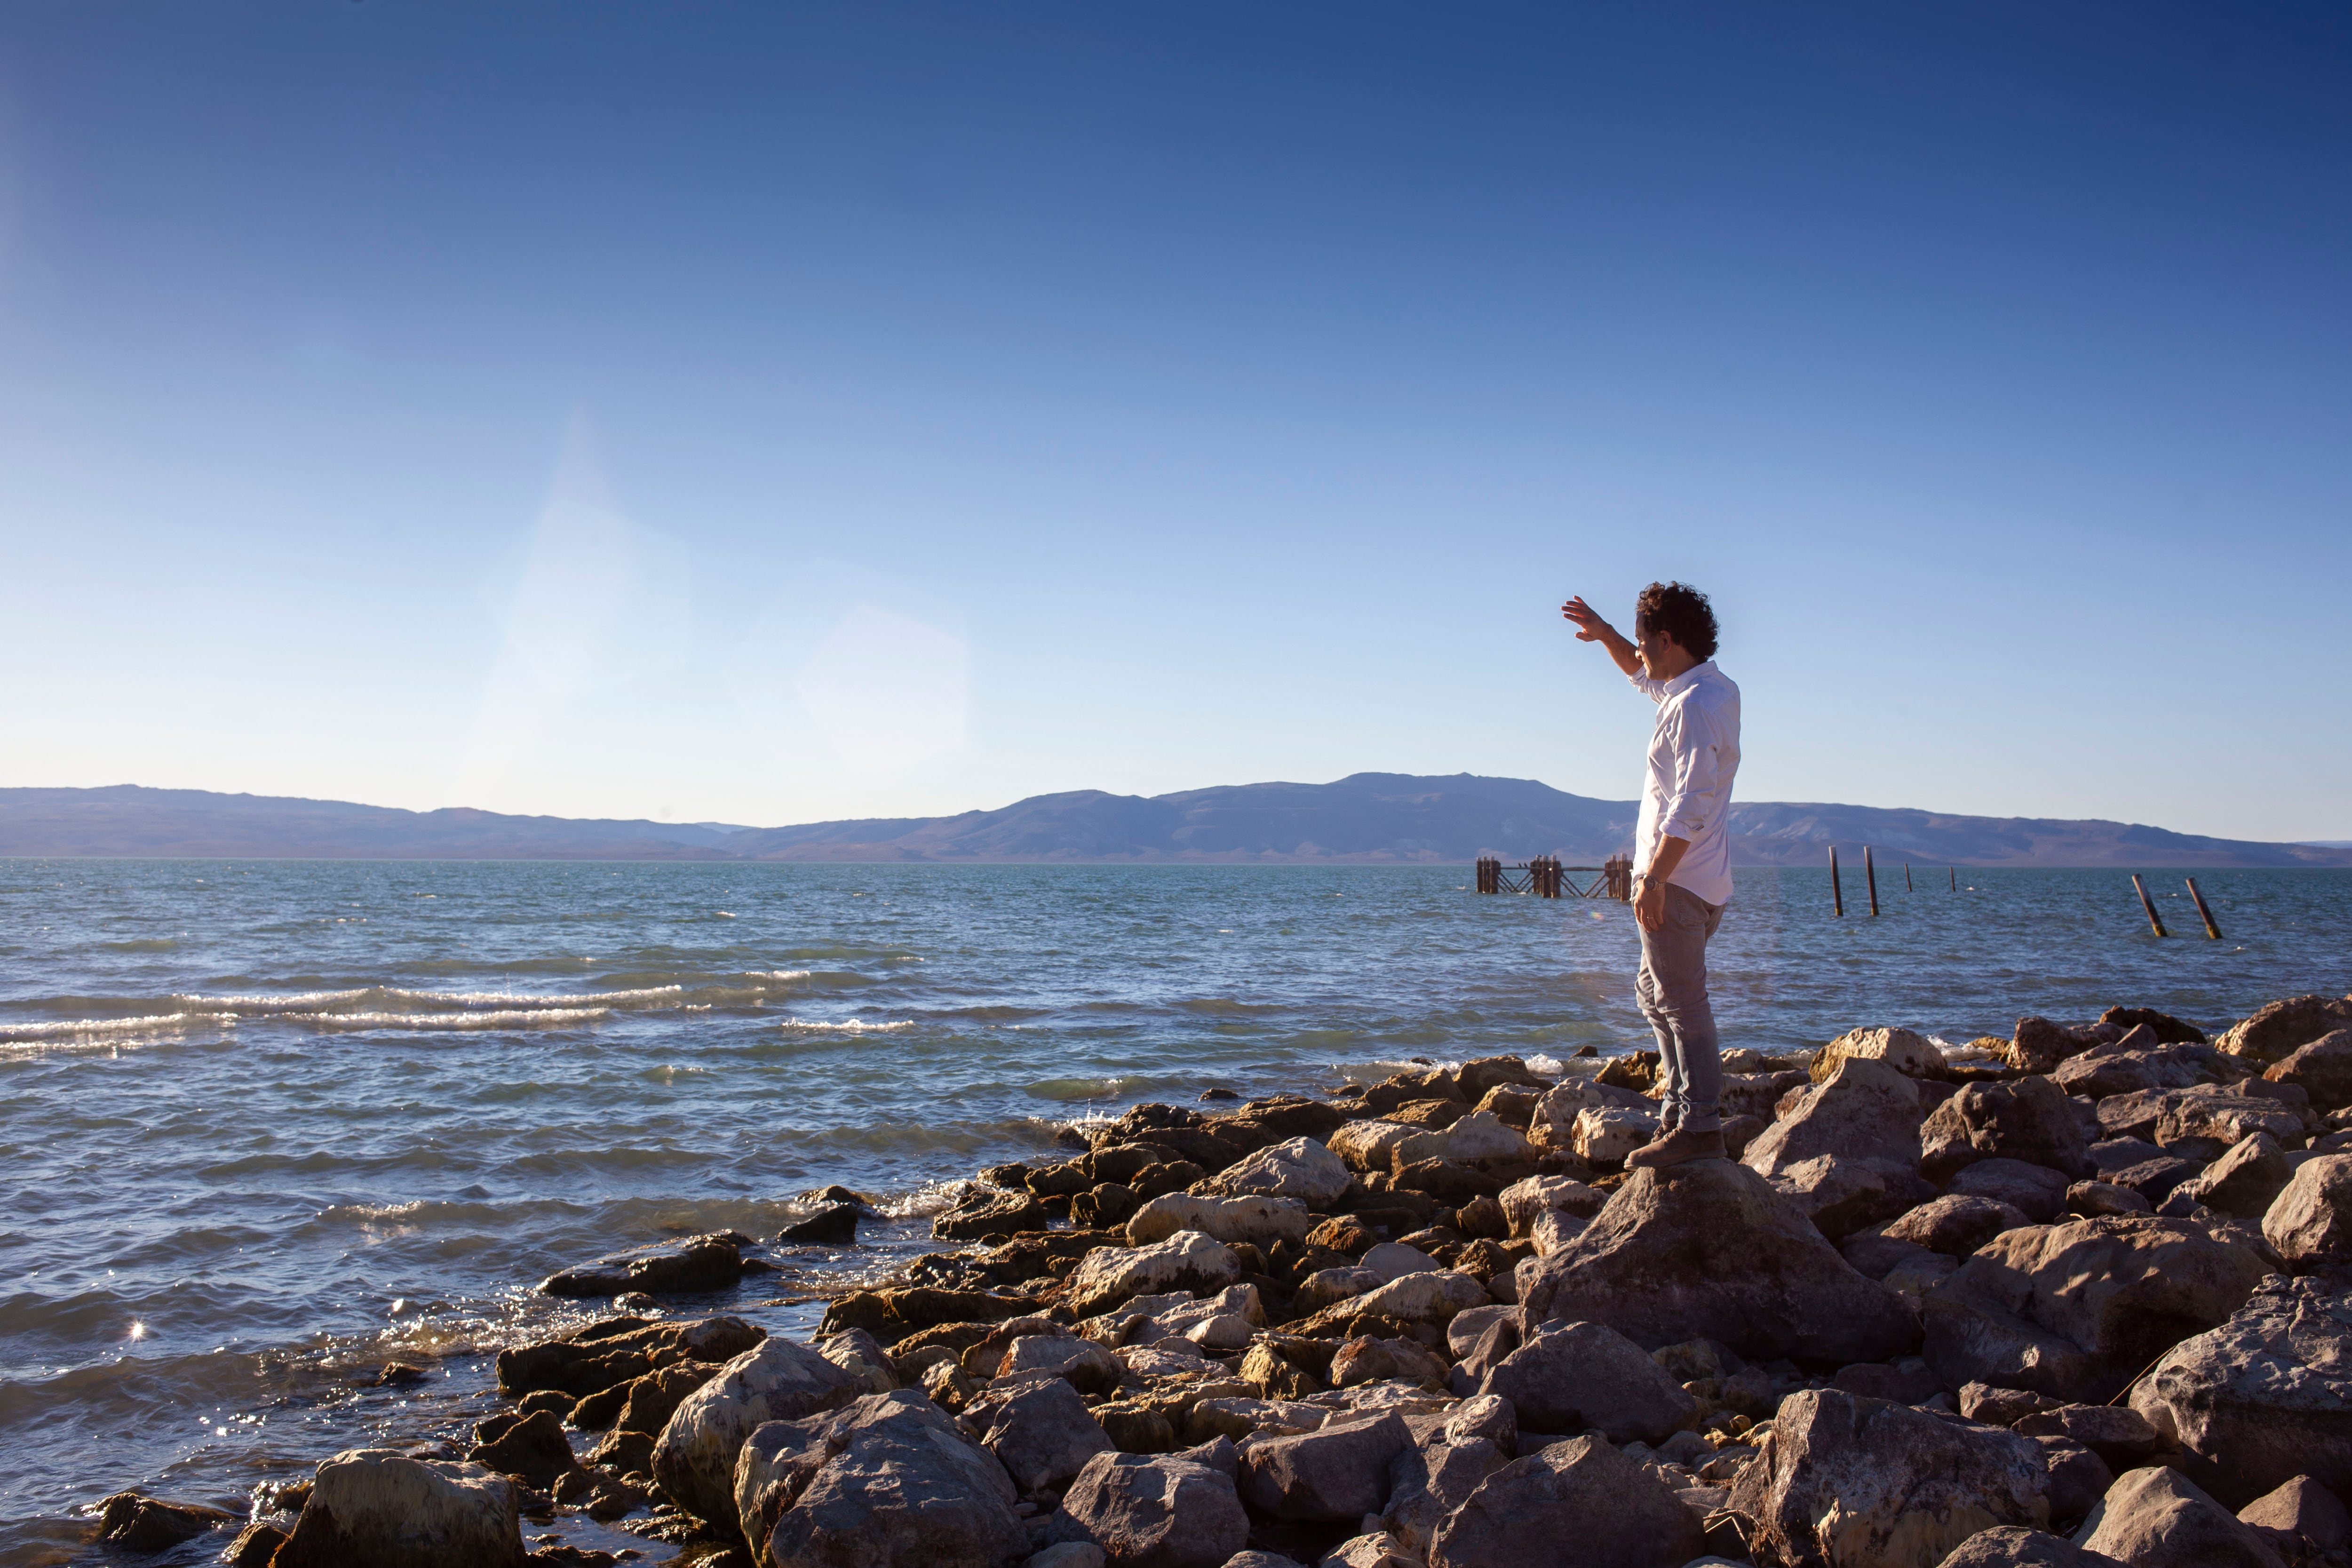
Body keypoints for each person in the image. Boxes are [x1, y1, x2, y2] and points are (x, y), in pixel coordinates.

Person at [1560, 582, 1742, 1169]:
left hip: (1679, 882)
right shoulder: (1711, 689)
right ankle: (1679, 1109)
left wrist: (1654, 879)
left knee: (1684, 1005)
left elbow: (1690, 800)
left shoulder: (1691, 708)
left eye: (1643, 643)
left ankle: (1699, 1129)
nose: (1638, 654)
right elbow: (1643, 679)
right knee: (1652, 993)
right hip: (1702, 879)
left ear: (1668, 640)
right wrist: (1608, 636)